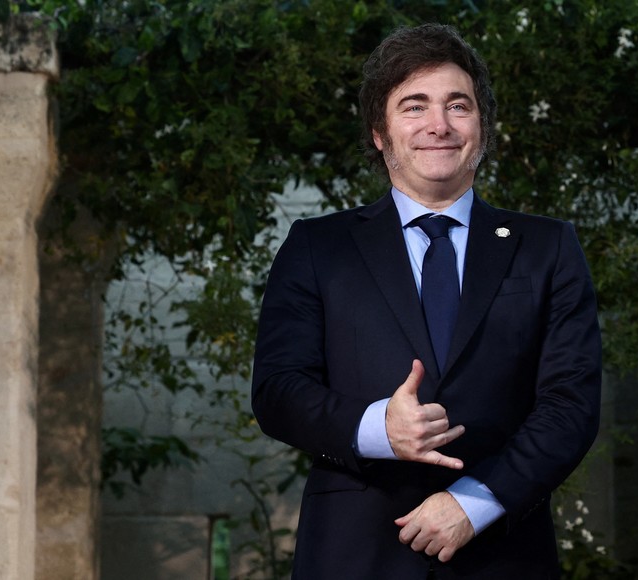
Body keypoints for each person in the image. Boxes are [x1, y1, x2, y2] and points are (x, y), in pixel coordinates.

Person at [251, 23, 602, 579]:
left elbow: (571, 404)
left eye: (457, 106)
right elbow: (277, 390)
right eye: (414, 106)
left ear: (481, 128)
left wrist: (476, 502)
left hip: (502, 553)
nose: (438, 125)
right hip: (355, 552)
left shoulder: (547, 248)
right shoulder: (319, 247)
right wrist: (377, 428)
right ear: (379, 133)